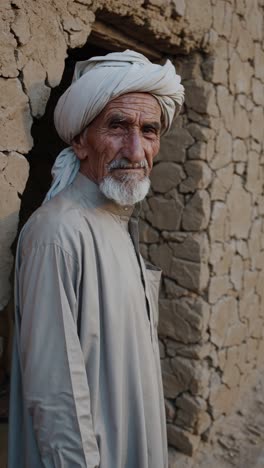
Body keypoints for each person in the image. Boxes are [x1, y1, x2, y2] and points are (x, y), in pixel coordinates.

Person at [8, 50, 184, 468]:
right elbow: (56, 397)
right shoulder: (58, 233)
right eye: (118, 127)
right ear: (79, 141)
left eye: (149, 130)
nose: (136, 149)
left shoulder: (119, 223)